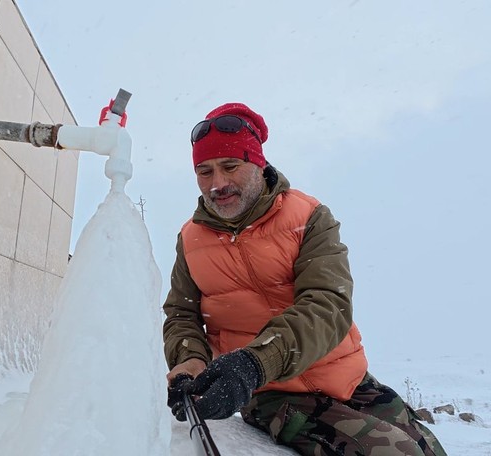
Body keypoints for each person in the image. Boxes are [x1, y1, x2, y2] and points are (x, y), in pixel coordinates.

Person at [163, 102, 446, 455]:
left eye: (230, 166)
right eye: (204, 171)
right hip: (271, 391)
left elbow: (328, 304)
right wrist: (190, 358)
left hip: (344, 375)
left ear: (257, 163)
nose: (218, 183)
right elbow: (181, 313)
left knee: (431, 449)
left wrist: (254, 361)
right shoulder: (190, 238)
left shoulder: (309, 216)